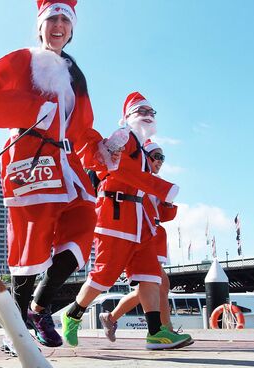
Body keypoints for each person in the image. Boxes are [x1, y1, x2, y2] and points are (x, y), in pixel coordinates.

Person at [0, 0, 112, 349]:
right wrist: (34, 108)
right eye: (53, 19)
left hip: (67, 168)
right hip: (31, 163)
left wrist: (104, 150)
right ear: (40, 26)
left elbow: (82, 131)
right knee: (29, 247)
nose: (59, 25)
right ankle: (15, 331)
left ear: (73, 28)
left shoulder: (76, 74)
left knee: (82, 228)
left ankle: (38, 307)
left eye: (65, 19)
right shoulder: (24, 60)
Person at [62, 92, 192, 350]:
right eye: (139, 110)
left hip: (140, 224)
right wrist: (112, 147)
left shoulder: (142, 149)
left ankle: (156, 333)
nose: (146, 114)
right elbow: (107, 163)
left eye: (150, 111)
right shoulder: (127, 138)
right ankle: (73, 314)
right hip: (116, 216)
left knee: (150, 276)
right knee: (104, 275)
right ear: (127, 116)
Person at [99, 142, 193, 345]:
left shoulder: (153, 182)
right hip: (139, 234)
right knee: (159, 283)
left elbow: (163, 215)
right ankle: (164, 329)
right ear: (144, 157)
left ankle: (111, 318)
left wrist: (166, 203)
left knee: (151, 285)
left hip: (154, 234)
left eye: (162, 157)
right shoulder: (134, 178)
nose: (159, 161)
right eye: (155, 156)